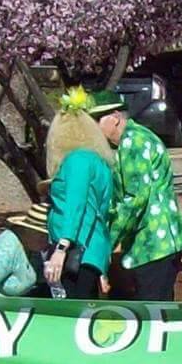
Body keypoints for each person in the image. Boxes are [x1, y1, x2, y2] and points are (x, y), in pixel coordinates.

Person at [99, 92, 182, 300]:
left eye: (97, 120)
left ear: (115, 117)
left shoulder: (133, 143)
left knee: (152, 310)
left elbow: (134, 199)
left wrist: (107, 241)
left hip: (154, 241)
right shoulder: (139, 136)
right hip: (163, 237)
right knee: (160, 303)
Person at [42, 89, 117, 300]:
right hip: (92, 252)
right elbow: (102, 212)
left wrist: (61, 248)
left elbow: (76, 204)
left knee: (72, 315)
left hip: (76, 253)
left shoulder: (77, 160)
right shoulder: (99, 162)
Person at [0, 203, 52, 299]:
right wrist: (13, 306)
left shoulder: (32, 245)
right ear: (29, 231)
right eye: (44, 236)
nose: (49, 242)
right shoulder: (6, 247)